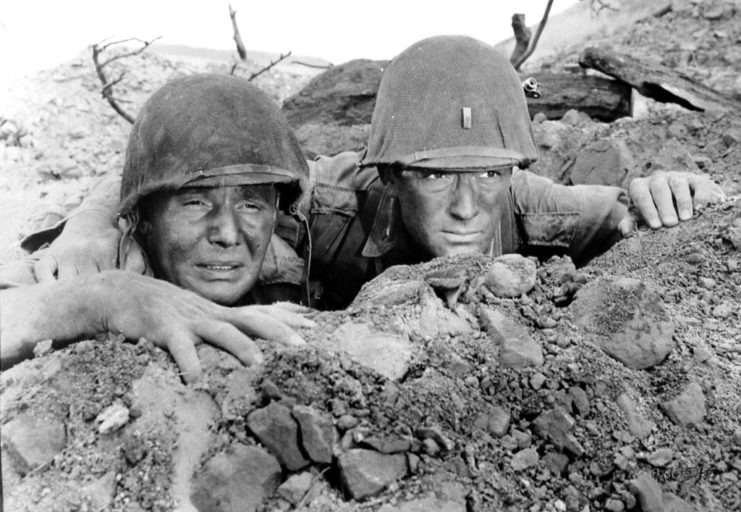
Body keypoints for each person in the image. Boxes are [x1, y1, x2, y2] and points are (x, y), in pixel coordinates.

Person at [20, 36, 725, 310]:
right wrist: (88, 221)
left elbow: (626, 213)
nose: (466, 210)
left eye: (486, 176)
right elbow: (195, 168)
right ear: (385, 173)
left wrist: (662, 192)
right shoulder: (326, 199)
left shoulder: (526, 201)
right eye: (431, 176)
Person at [0, 73, 316, 381]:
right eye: (196, 203)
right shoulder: (95, 262)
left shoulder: (280, 266)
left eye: (250, 205)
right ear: (141, 218)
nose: (228, 235)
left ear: (275, 214)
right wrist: (108, 297)